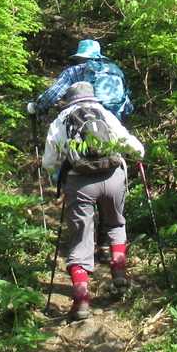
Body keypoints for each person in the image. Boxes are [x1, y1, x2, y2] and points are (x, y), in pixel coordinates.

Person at [41, 82, 145, 321]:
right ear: (92, 97)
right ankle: (119, 272)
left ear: (69, 100)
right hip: (113, 177)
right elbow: (128, 142)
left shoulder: (61, 120)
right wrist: (139, 155)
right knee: (116, 223)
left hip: (80, 182)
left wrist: (59, 174)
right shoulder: (103, 113)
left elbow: (48, 161)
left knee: (81, 238)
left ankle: (81, 299)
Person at [27, 39, 133, 121]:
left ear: (79, 57)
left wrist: (38, 107)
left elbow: (53, 94)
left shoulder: (74, 71)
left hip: (90, 117)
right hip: (116, 117)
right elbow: (126, 99)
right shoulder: (115, 70)